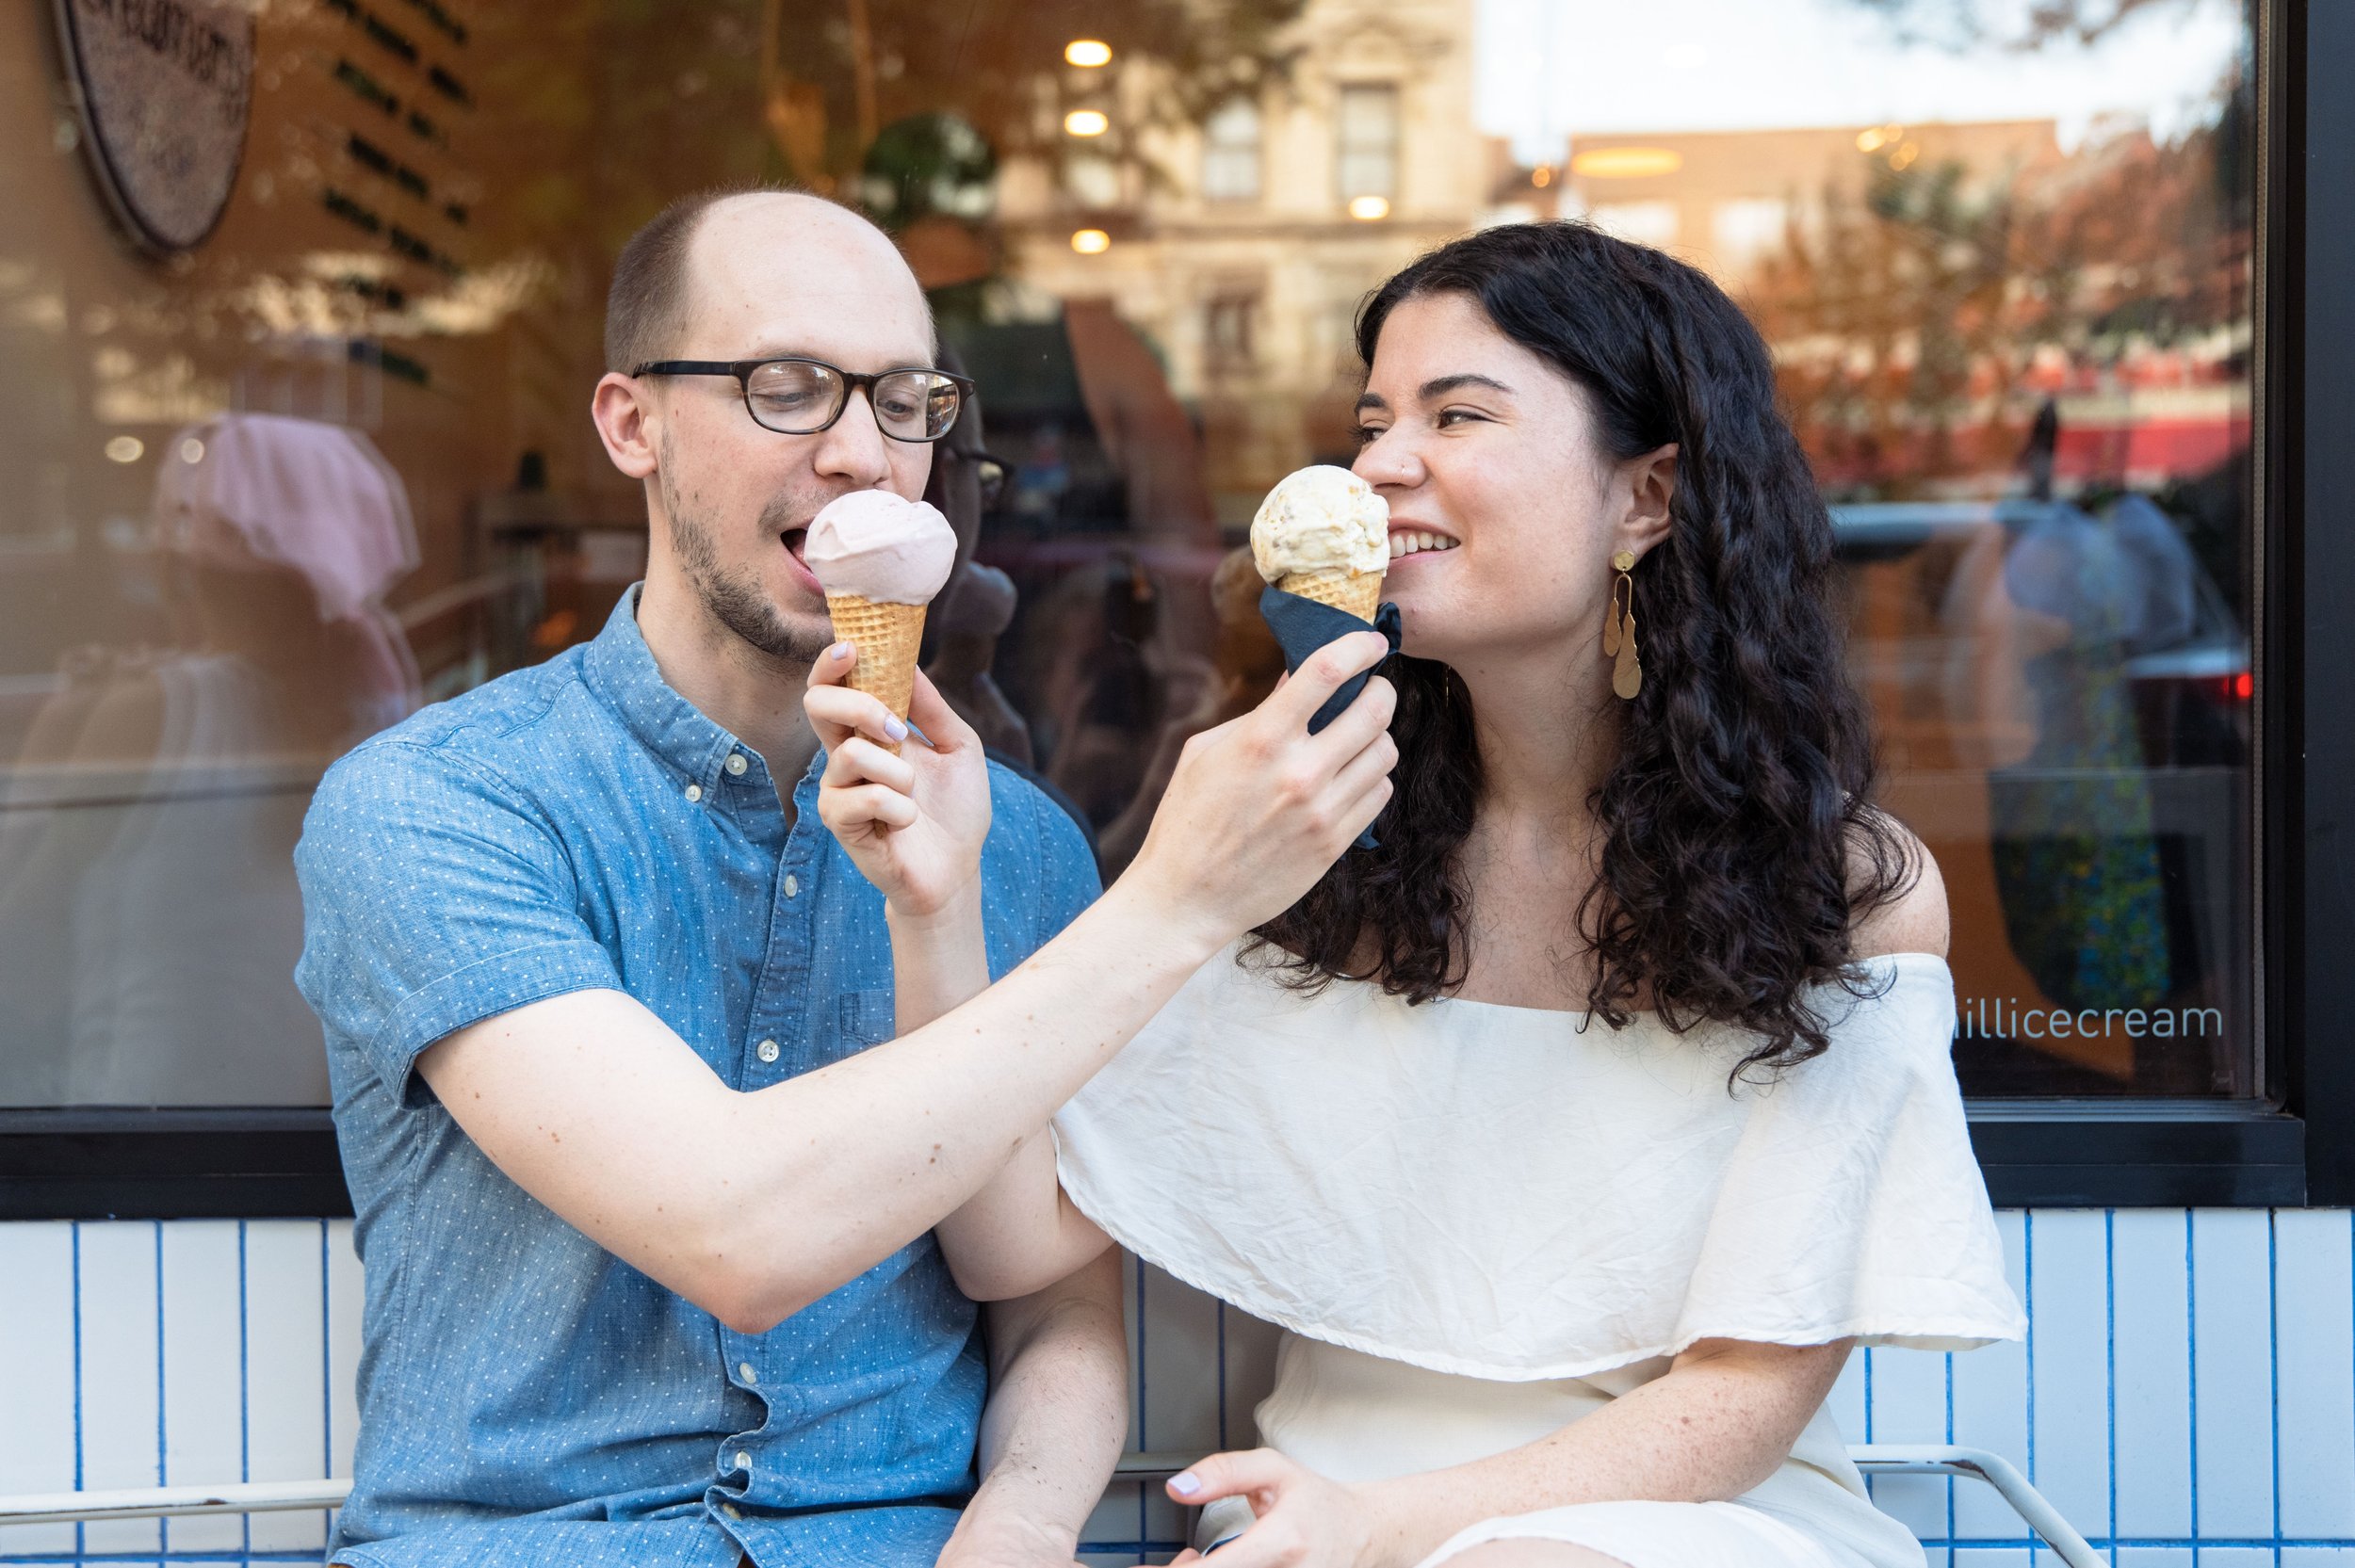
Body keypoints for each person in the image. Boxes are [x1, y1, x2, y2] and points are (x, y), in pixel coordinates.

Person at [809, 221, 2023, 1568]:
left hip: (1693, 1528)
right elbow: (1012, 1243)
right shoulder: (1309, 842)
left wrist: (1381, 1527)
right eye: (1372, 420)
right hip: (1306, 1520)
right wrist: (930, 905)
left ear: (1649, 496)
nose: (1381, 464)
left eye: (1459, 413)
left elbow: (1738, 1399)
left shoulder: (1847, 895)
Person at [292, 186, 1396, 1568]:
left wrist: (1024, 1517)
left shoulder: (1022, 844)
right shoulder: (438, 806)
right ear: (630, 422)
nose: (865, 457)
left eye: (905, 401)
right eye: (788, 388)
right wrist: (1178, 900)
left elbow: (1051, 1300)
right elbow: (730, 1225)